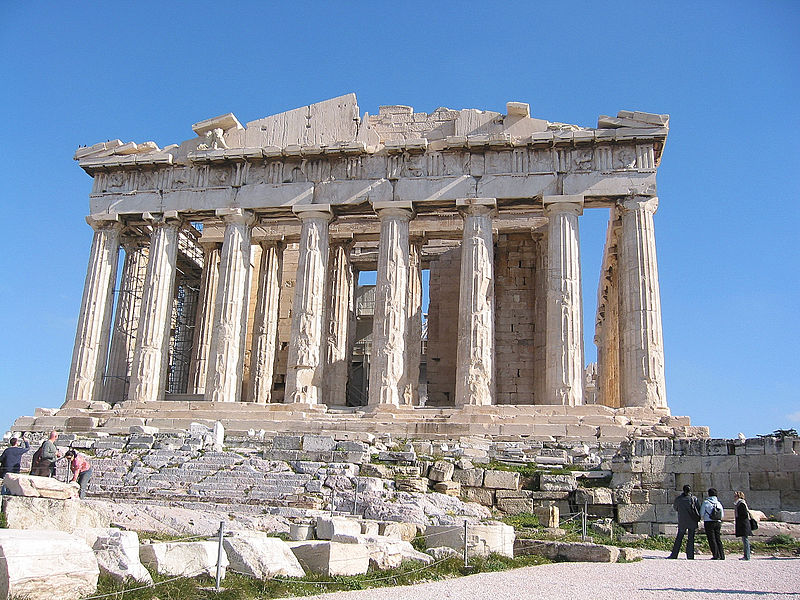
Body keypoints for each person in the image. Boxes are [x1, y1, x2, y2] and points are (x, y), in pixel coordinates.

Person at [668, 484, 701, 559]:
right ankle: (690, 555)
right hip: (692, 520)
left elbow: (675, 508)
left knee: (679, 538)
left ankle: (674, 555)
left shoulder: (679, 499)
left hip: (682, 520)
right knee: (691, 538)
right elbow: (698, 508)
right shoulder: (694, 499)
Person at [701, 487, 725, 560]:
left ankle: (716, 555)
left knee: (712, 539)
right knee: (718, 539)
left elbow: (701, 513)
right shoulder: (719, 503)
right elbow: (722, 515)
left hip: (709, 522)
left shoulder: (706, 502)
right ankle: (722, 555)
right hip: (717, 522)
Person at [734, 490, 753, 560]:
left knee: (745, 540)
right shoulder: (739, 503)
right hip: (743, 523)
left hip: (744, 524)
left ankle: (747, 556)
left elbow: (744, 514)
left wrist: (739, 519)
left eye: (735, 496)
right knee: (744, 540)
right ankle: (746, 555)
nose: (734, 497)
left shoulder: (741, 504)